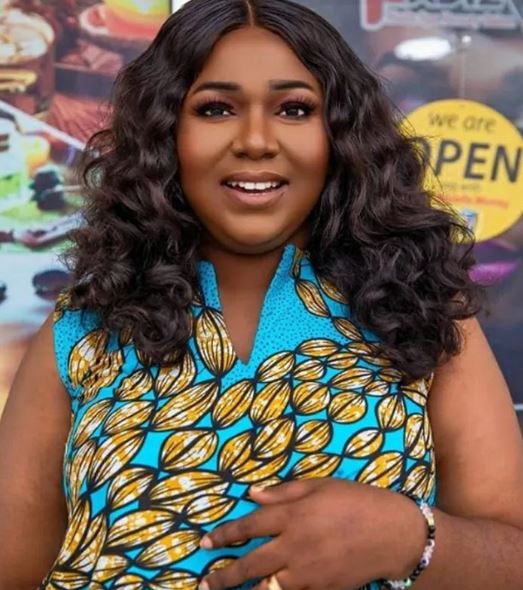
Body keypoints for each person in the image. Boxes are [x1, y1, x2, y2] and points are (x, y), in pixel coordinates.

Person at [1, 1, 522, 589]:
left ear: (340, 133)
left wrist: (409, 539)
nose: (255, 140)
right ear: (166, 133)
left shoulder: (421, 309)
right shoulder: (86, 325)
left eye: (294, 109)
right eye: (215, 109)